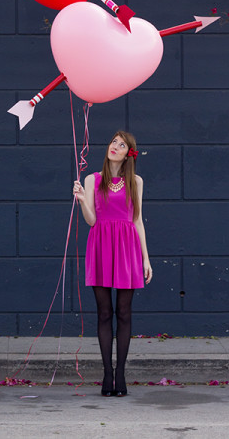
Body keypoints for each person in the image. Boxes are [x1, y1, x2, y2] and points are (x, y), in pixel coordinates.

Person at [73, 130, 152, 397]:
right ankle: (107, 373)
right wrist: (84, 200)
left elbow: (138, 220)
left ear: (129, 153)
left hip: (128, 247)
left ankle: (121, 373)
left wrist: (145, 258)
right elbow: (92, 221)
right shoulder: (93, 179)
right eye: (113, 142)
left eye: (121, 145)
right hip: (100, 245)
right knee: (104, 312)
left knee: (124, 312)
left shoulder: (136, 182)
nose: (115, 147)